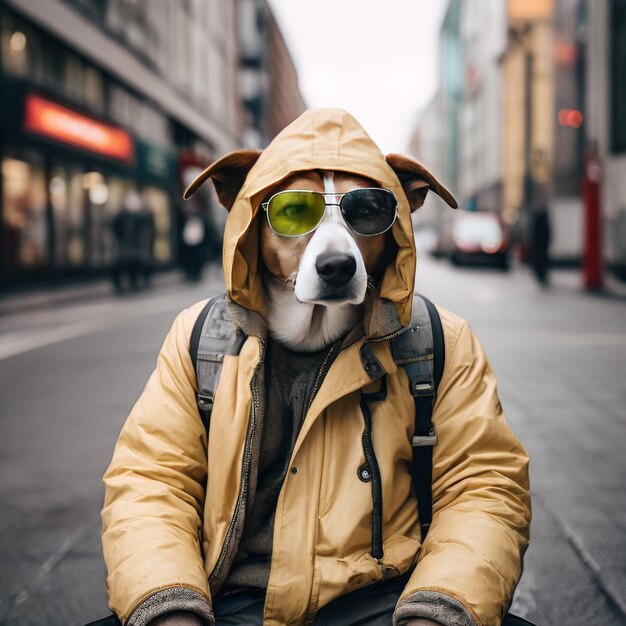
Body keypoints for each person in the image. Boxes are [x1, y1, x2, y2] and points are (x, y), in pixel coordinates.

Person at [101, 109, 530, 626]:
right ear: (249, 220)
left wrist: (439, 608)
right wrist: (169, 605)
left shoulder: (441, 342)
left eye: (366, 211)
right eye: (292, 212)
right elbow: (151, 483)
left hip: (388, 602)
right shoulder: (198, 339)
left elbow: (484, 487)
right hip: (231, 602)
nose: (335, 252)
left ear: (398, 219)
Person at [111, 191, 155, 293]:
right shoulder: (122, 216)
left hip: (135, 248)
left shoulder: (141, 216)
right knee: (122, 265)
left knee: (134, 265)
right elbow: (115, 228)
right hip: (125, 247)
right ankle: (123, 285)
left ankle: (133, 282)